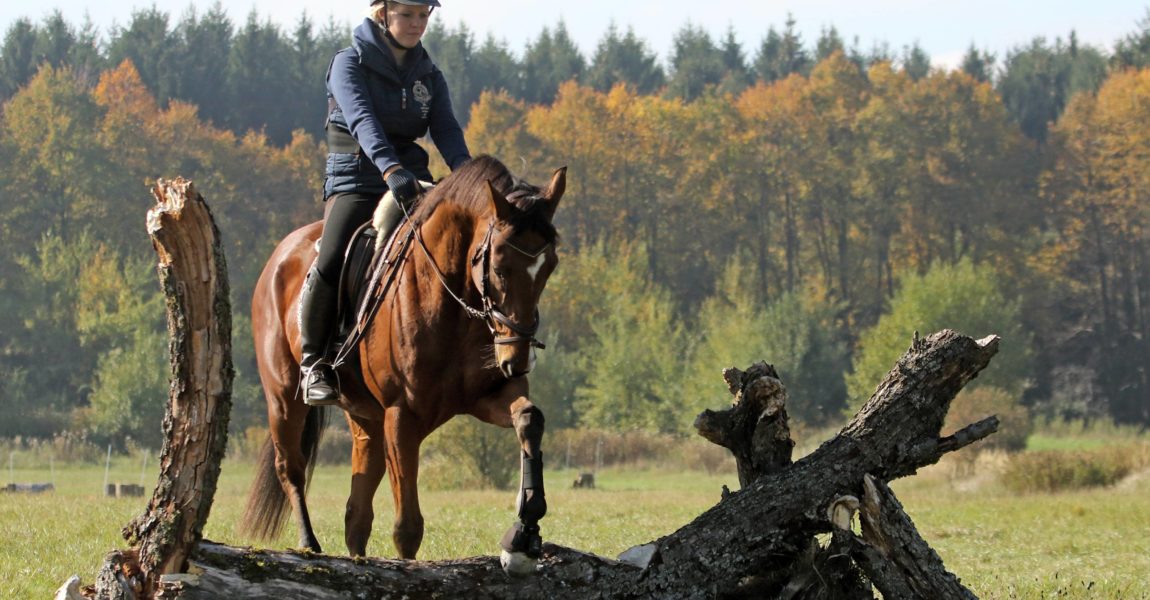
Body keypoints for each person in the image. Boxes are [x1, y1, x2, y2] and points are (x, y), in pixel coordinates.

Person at [299, 0, 471, 406]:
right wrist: (390, 170)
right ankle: (314, 363)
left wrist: (468, 177)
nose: (416, 24)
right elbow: (362, 121)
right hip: (357, 178)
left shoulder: (429, 74)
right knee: (333, 254)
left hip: (410, 178)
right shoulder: (348, 63)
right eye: (407, 15)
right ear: (384, 14)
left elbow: (446, 128)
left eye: (423, 16)